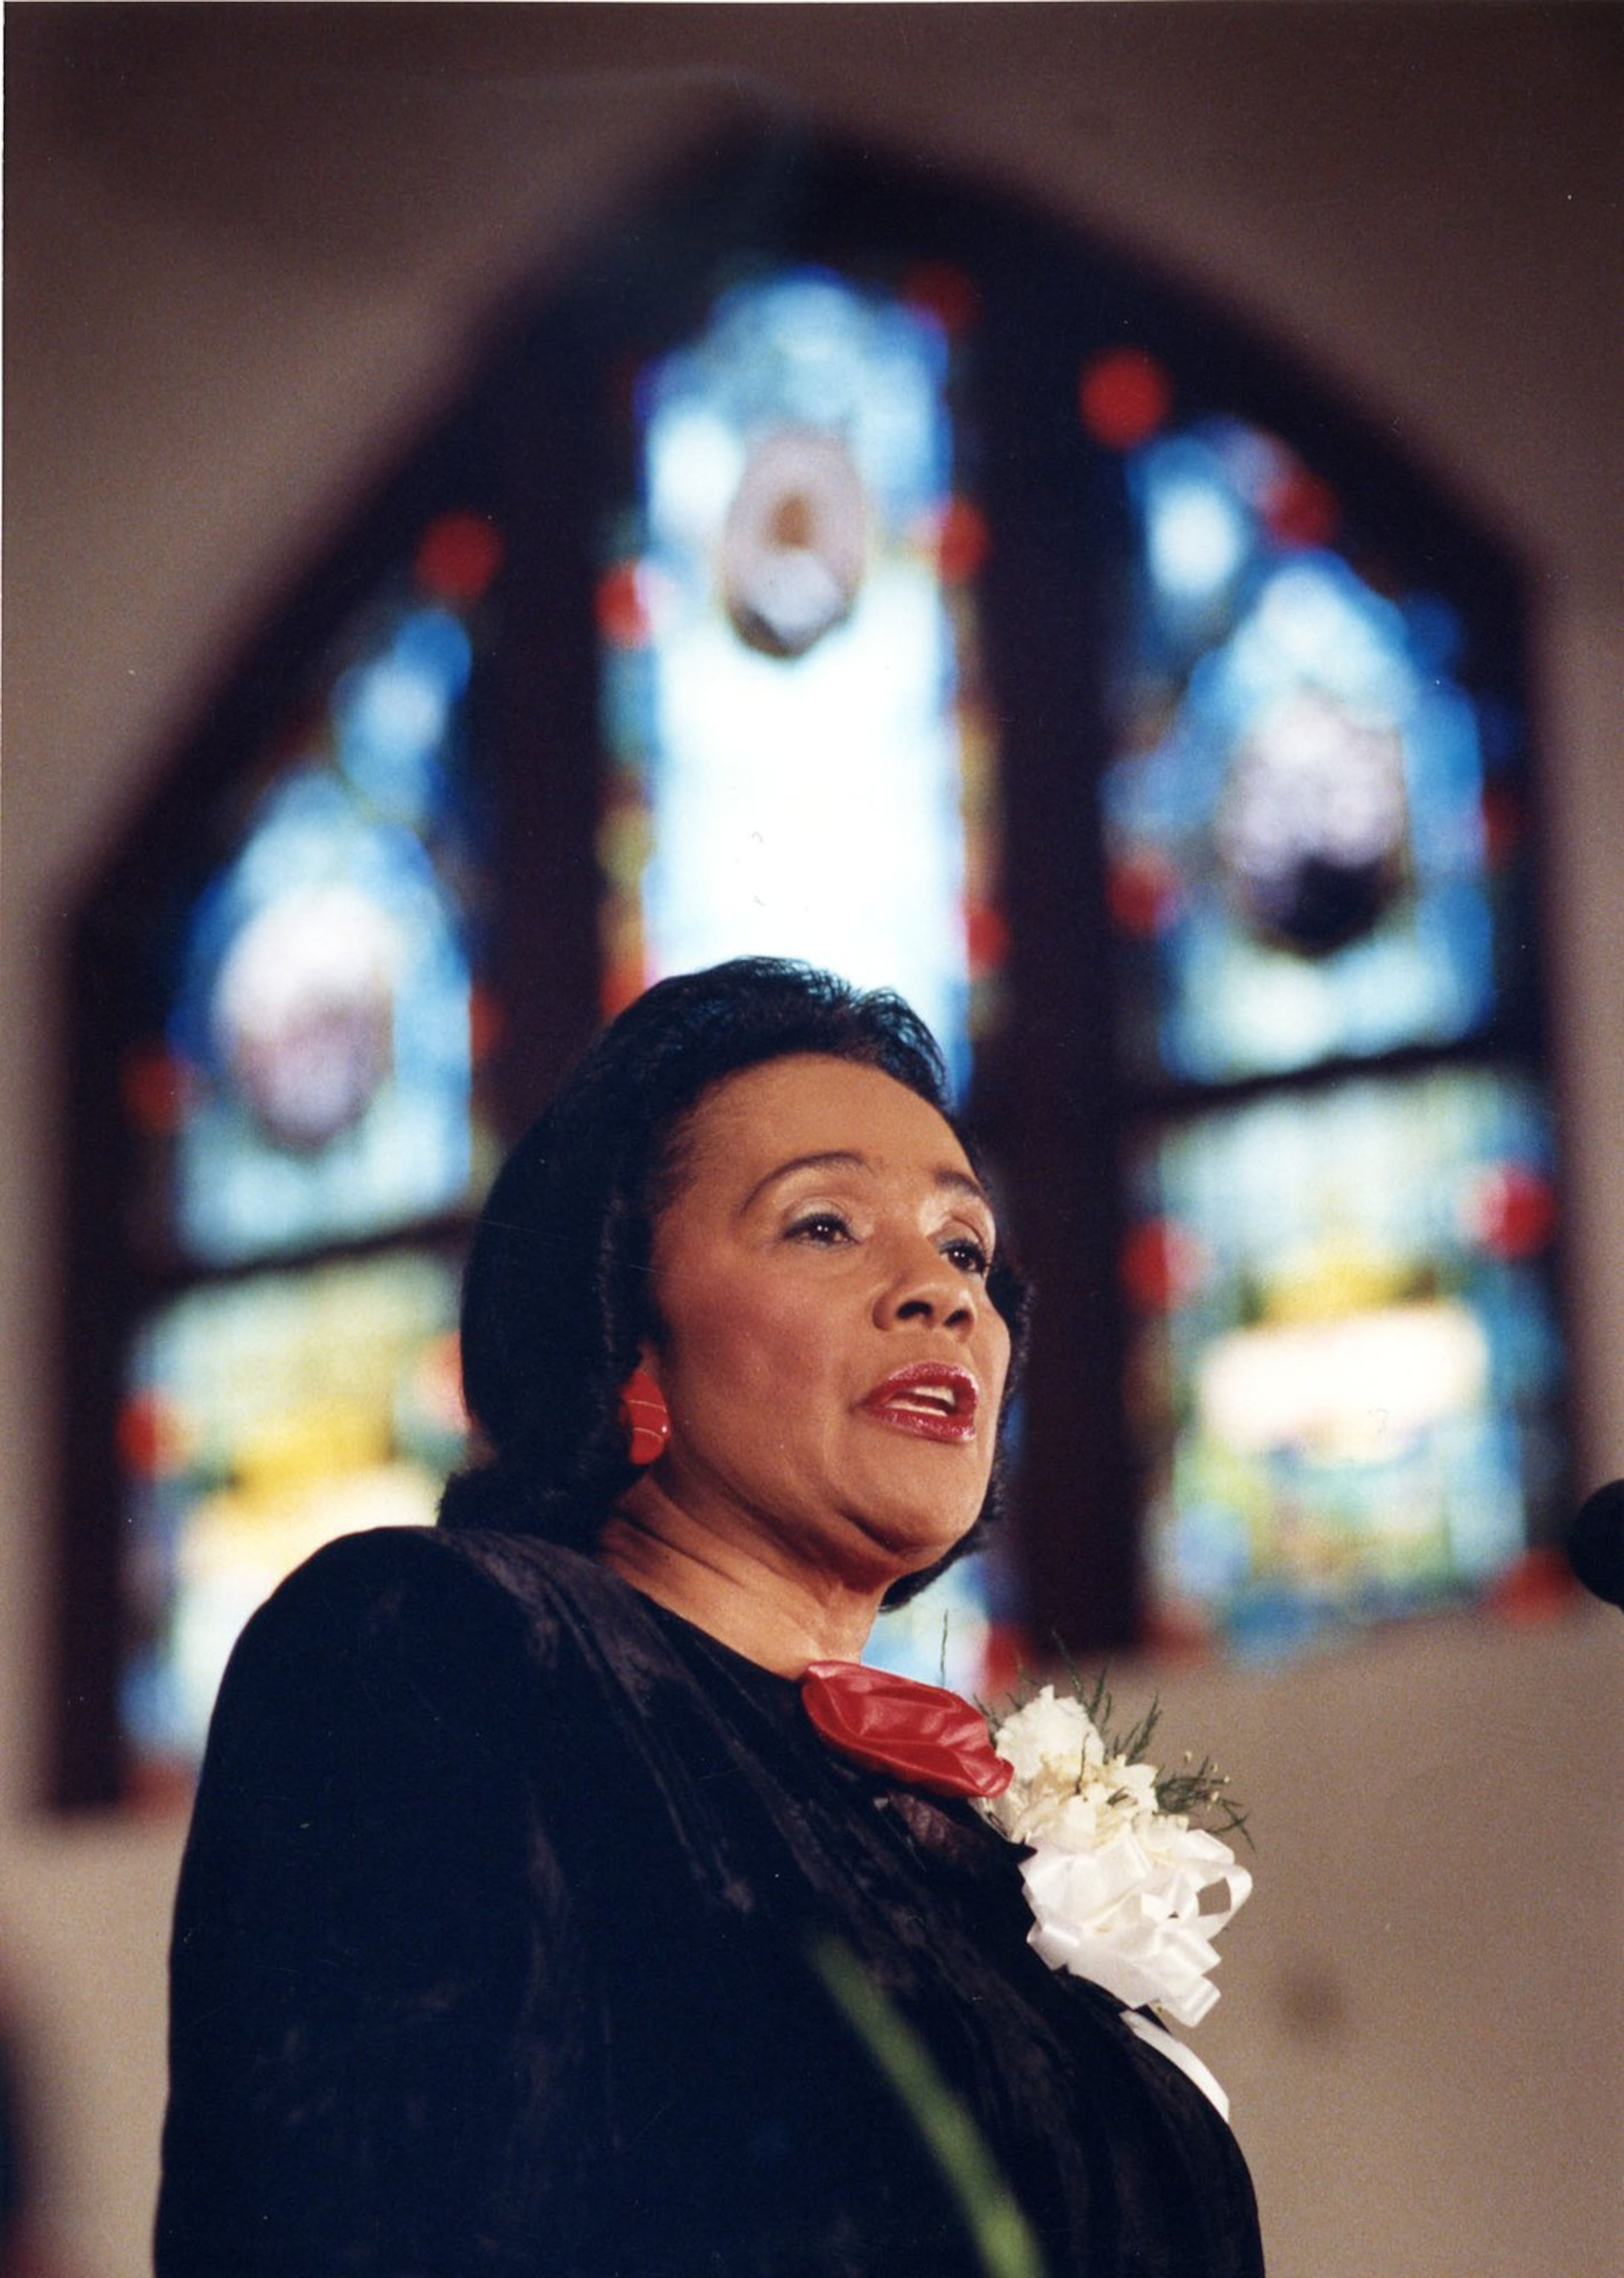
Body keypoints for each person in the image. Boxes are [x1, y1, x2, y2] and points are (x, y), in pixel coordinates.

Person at [156, 958, 1263, 2278]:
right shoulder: (444, 1649)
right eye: (825, 1226)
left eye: (965, 1246)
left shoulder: (970, 1851)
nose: (941, 1292)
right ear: (623, 1315)